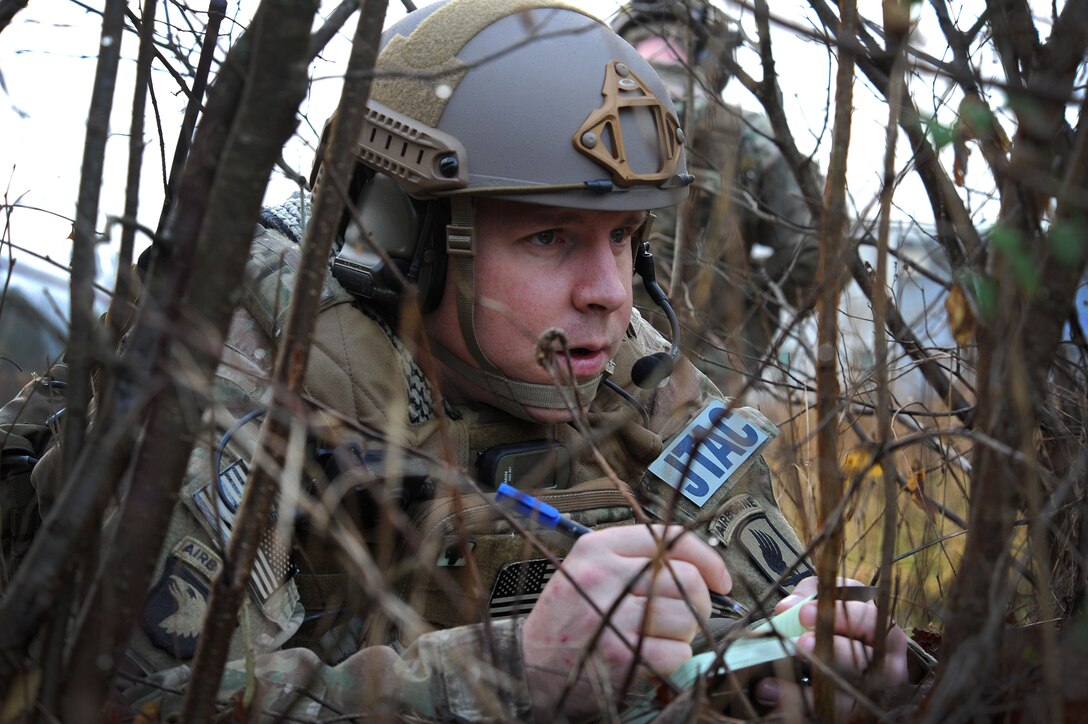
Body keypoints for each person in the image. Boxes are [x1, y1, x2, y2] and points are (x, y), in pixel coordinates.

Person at [0, 0, 915, 720]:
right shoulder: (239, 379)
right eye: (552, 238)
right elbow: (136, 700)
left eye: (627, 238)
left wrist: (786, 662)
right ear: (403, 235)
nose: (610, 291)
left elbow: (781, 601)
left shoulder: (636, 372)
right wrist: (521, 671)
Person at [611, 0, 820, 390]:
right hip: (706, 372)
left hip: (593, 360)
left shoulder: (585, 121)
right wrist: (741, 311)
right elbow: (814, 249)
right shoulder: (750, 135)